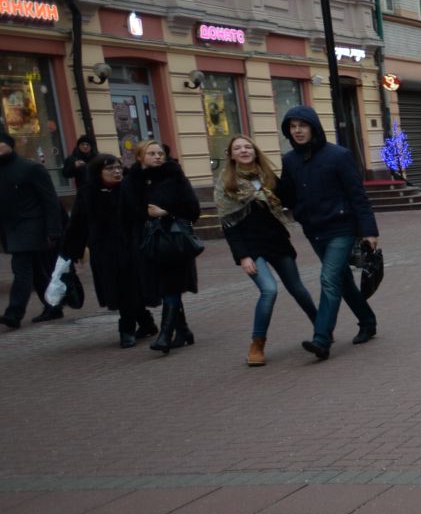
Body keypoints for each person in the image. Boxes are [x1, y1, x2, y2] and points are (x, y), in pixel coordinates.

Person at [276, 105, 379, 362]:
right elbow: (287, 195)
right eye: (292, 126)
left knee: (329, 279)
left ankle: (321, 339)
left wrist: (369, 230)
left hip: (342, 227)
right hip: (314, 230)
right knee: (342, 281)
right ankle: (367, 320)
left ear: (314, 127)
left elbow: (358, 195)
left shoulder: (338, 155)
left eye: (303, 125)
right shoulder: (289, 160)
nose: (298, 131)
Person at [216, 134, 317, 367]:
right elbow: (229, 224)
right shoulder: (226, 183)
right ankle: (257, 343)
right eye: (238, 148)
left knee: (298, 289)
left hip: (276, 241)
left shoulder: (268, 176)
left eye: (247, 147)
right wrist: (242, 256)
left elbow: (289, 197)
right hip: (251, 247)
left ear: (254, 151)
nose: (243, 151)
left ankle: (321, 327)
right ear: (231, 155)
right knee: (269, 290)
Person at [54, 153, 149, 346]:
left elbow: (140, 215)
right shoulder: (88, 192)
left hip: (131, 247)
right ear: (98, 171)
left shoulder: (128, 188)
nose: (116, 172)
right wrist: (72, 251)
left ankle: (126, 329)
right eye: (110, 168)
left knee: (128, 288)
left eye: (118, 167)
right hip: (103, 249)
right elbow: (78, 223)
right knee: (118, 288)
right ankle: (146, 322)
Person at [126, 140, 201, 354]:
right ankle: (184, 330)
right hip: (147, 241)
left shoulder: (175, 176)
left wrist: (166, 211)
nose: (158, 156)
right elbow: (128, 212)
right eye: (151, 153)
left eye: (160, 153)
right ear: (140, 157)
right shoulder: (133, 180)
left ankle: (165, 335)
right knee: (168, 286)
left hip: (172, 240)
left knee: (170, 285)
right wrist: (143, 214)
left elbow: (193, 209)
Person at [0, 129, 65, 329]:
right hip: (10, 228)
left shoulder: (30, 168)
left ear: (9, 145)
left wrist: (54, 230)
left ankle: (14, 313)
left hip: (31, 225)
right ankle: (53, 305)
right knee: (36, 270)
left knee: (21, 269)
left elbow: (50, 201)